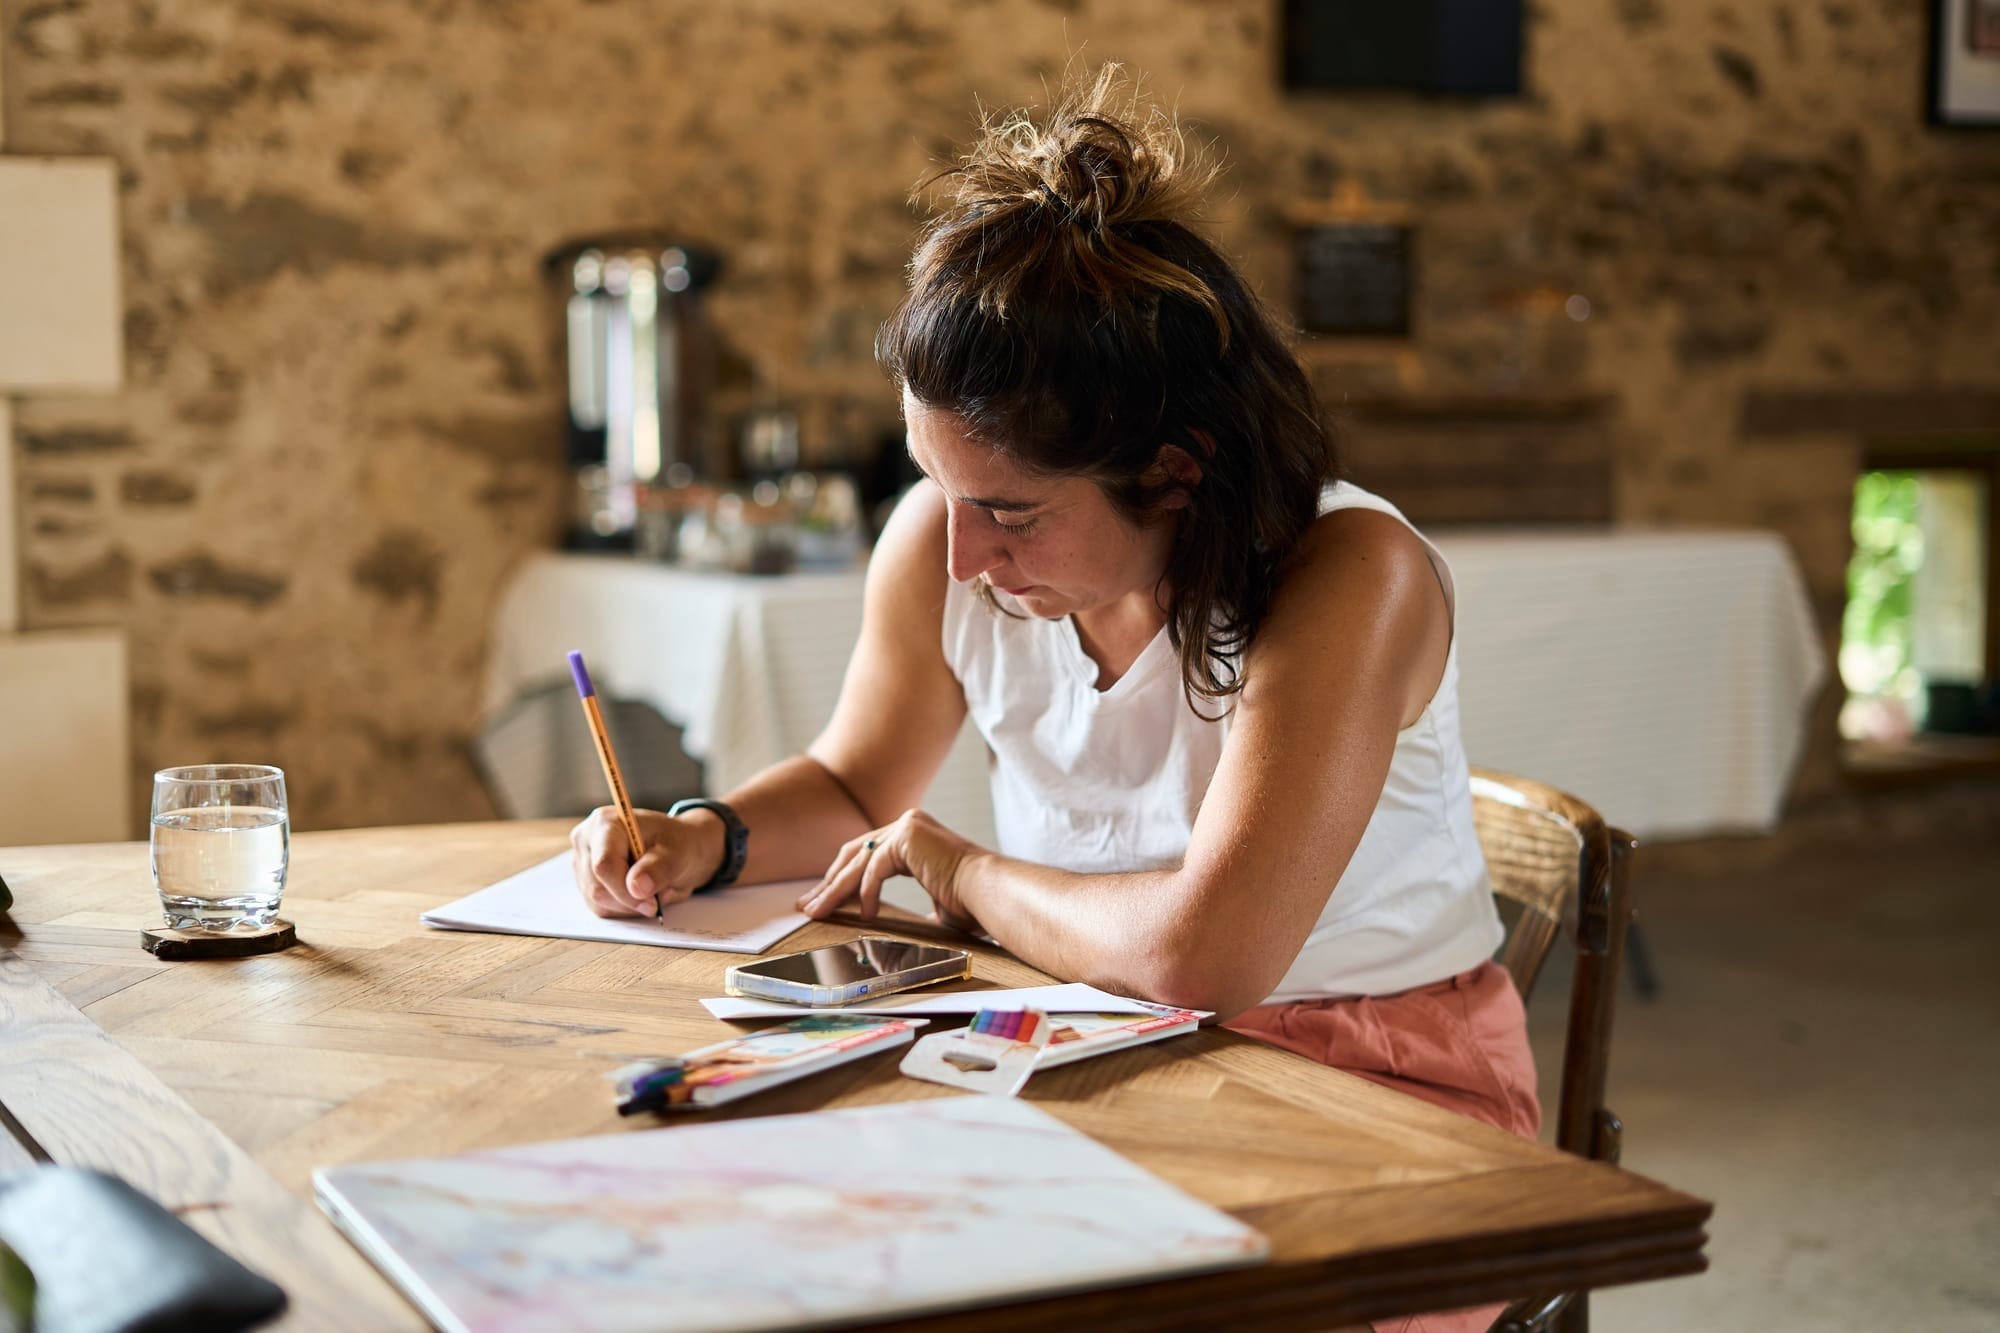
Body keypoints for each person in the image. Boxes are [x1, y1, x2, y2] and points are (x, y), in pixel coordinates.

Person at [573, 66, 1536, 1178]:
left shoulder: (1348, 573)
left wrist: (963, 873)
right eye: (938, 489)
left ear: (1175, 472)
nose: (959, 558)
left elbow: (1199, 956)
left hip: (1370, 1079)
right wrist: (710, 834)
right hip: (1098, 1038)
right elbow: (853, 785)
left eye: (1010, 512)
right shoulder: (946, 546)